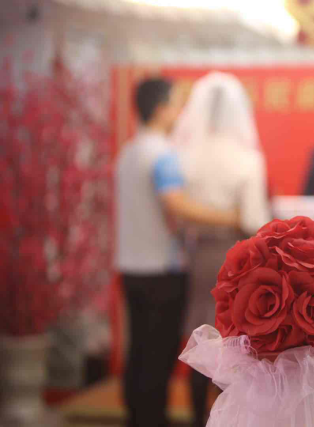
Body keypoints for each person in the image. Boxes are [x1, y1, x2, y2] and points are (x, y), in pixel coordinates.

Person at [115, 77, 238, 427]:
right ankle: (152, 419)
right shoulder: (163, 154)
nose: (180, 112)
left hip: (131, 265)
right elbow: (177, 205)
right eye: (175, 104)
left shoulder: (129, 151)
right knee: (158, 354)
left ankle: (136, 417)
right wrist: (232, 217)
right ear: (160, 109)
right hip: (162, 269)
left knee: (138, 350)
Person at [172, 72, 271, 427]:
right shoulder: (247, 158)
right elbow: (255, 219)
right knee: (231, 341)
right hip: (235, 257)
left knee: (200, 337)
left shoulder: (183, 155)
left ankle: (196, 417)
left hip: (195, 254)